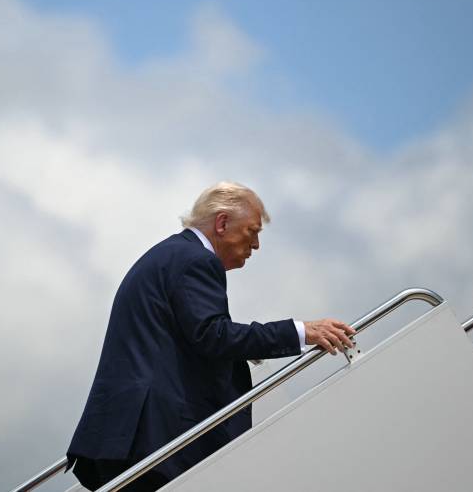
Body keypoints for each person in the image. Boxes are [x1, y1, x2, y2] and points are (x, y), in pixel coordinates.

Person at [66, 181, 356, 491]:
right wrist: (301, 331)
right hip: (152, 438)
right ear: (222, 223)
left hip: (124, 436)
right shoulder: (195, 260)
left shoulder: (169, 255)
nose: (256, 244)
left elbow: (192, 336)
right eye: (252, 231)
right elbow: (213, 335)